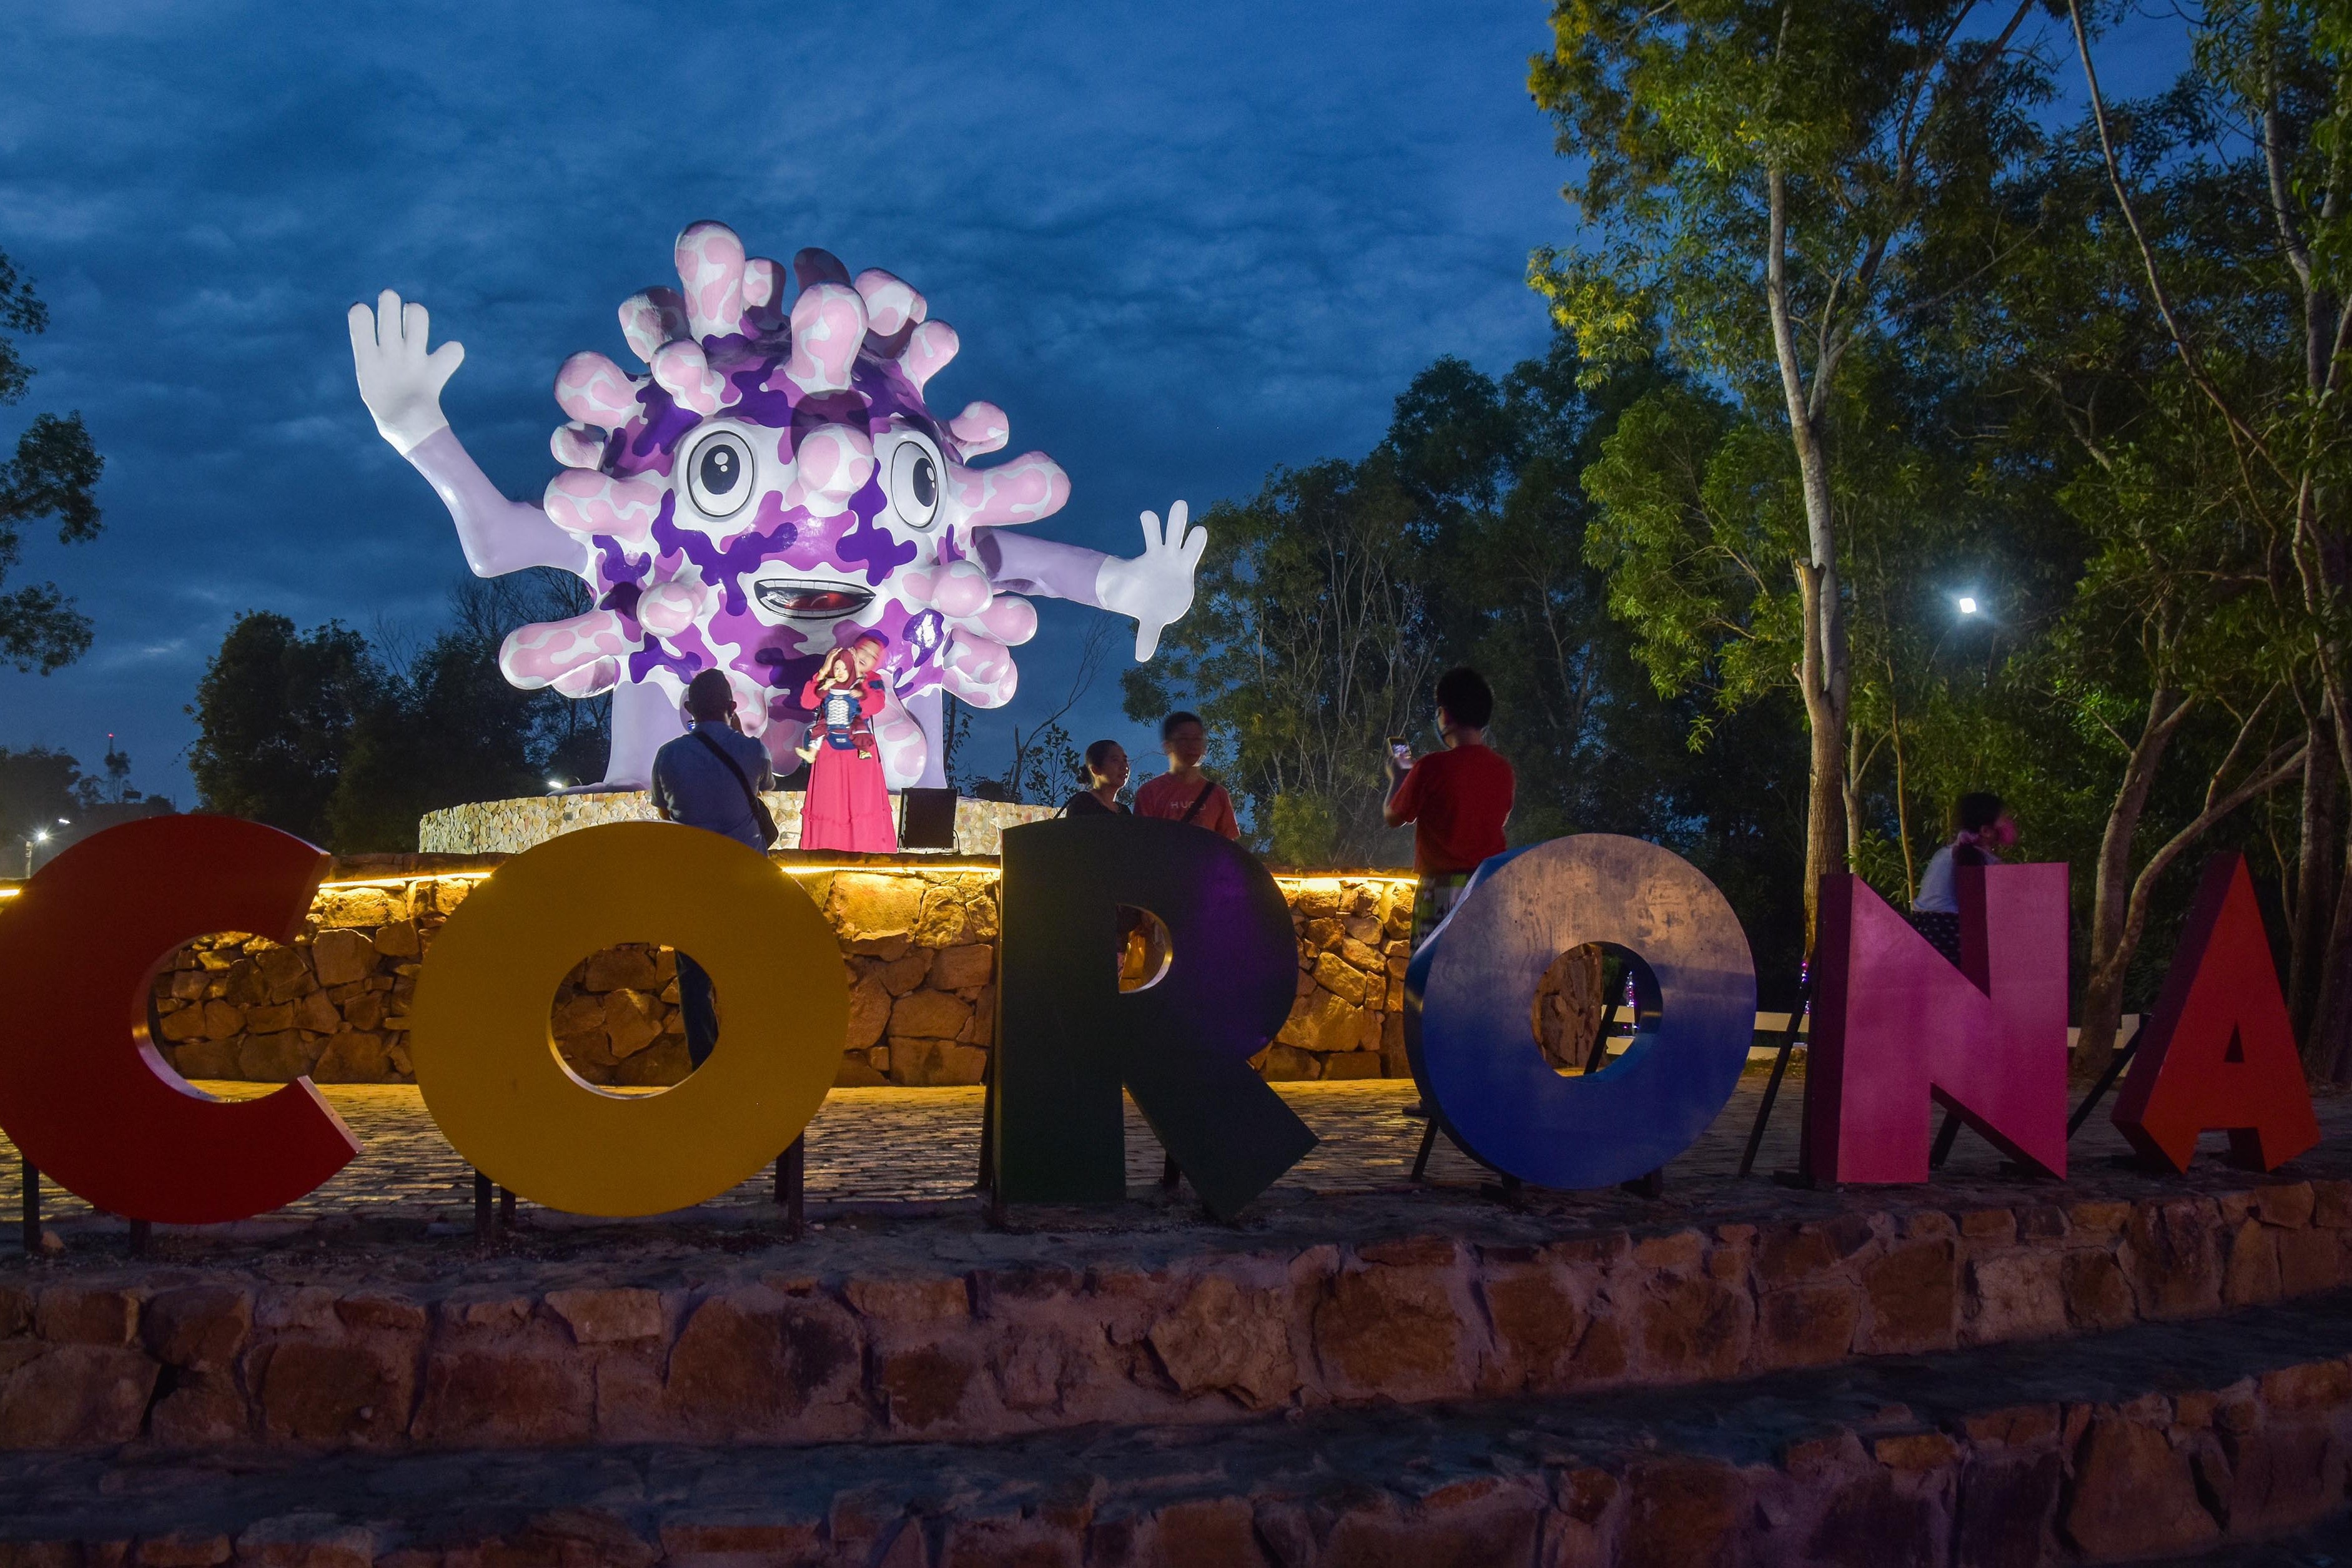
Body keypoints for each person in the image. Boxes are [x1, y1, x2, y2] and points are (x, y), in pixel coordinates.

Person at [648, 669, 777, 1067]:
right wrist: (736, 732)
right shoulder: (753, 750)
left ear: (689, 709)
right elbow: (764, 787)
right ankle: (752, 1057)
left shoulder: (668, 755)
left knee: (695, 979)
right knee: (753, 975)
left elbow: (666, 812)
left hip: (694, 881)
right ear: (732, 707)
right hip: (748, 881)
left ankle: (705, 1065)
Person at [1385, 668, 1515, 952]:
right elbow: (1501, 818)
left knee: (1431, 982)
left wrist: (1398, 778)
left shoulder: (1431, 767)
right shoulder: (1503, 770)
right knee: (1478, 976)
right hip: (1486, 889)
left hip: (1440, 891)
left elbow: (1394, 816)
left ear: (1445, 715)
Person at [797, 636, 898, 854]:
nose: (866, 658)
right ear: (853, 650)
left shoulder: (873, 680)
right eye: (864, 651)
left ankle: (864, 855)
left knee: (862, 803)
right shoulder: (832, 675)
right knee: (829, 801)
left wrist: (857, 680)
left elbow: (874, 706)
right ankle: (825, 853)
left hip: (859, 753)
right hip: (829, 751)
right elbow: (808, 702)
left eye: (873, 657)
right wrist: (824, 671)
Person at [1911, 791, 2017, 965]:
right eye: (2004, 819)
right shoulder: (1986, 862)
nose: (2009, 823)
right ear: (1986, 831)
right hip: (1953, 939)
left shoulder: (1945, 854)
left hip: (1923, 936)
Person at [1134, 711, 1240, 839]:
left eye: (1197, 739)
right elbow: (1143, 842)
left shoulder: (1219, 795)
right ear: (1168, 746)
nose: (1193, 746)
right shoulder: (1150, 793)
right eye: (1184, 739)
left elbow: (1228, 847)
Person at [1062, 739, 1132, 817]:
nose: (1124, 767)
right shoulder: (1084, 803)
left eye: (1125, 760)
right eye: (1115, 760)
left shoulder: (1125, 811)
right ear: (1095, 770)